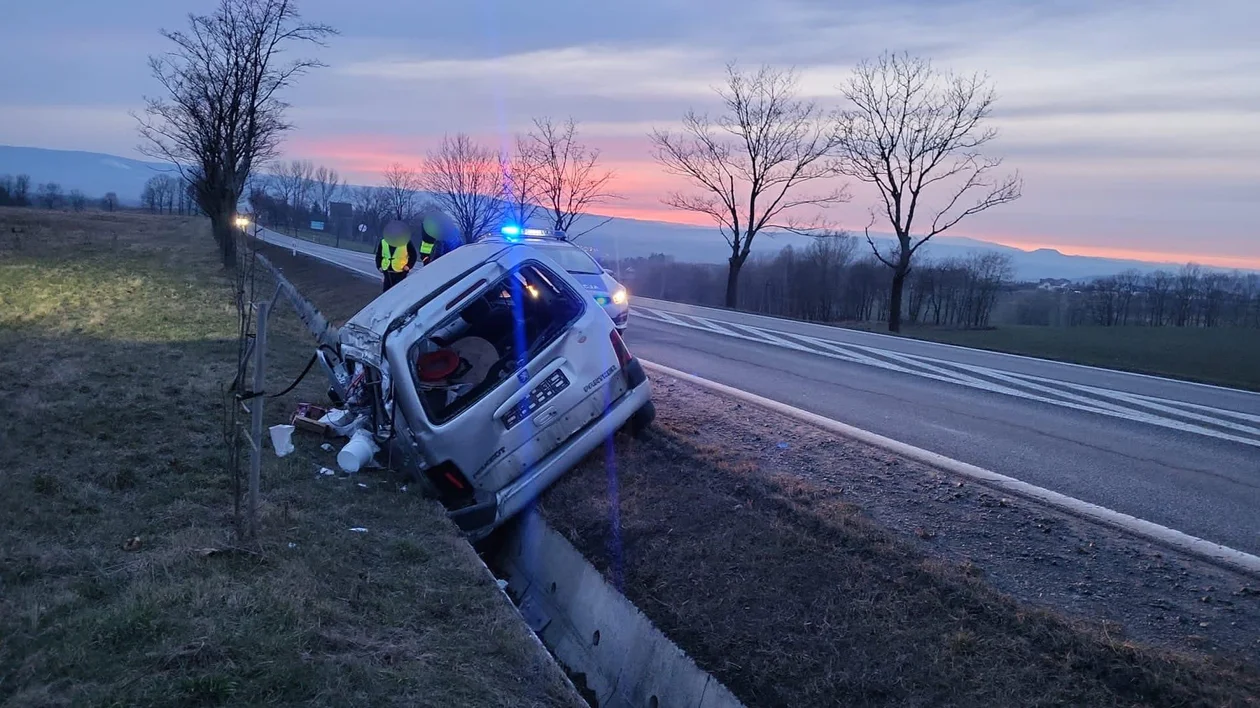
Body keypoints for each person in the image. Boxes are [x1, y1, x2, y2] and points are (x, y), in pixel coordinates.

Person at [375, 220, 417, 292]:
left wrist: (409, 266)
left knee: (398, 292)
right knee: (386, 293)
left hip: (400, 272)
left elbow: (413, 255)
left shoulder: (406, 242)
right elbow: (378, 255)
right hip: (387, 271)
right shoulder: (383, 241)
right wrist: (379, 266)